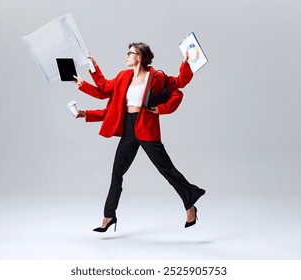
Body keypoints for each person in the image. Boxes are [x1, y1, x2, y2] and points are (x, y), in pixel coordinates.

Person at [73, 42, 206, 232]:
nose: (126, 56)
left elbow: (179, 85)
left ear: (140, 57)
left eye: (131, 53)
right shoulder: (123, 76)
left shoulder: (156, 77)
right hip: (128, 128)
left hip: (147, 127)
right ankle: (109, 215)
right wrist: (90, 71)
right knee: (117, 172)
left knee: (166, 169)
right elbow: (103, 90)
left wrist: (187, 64)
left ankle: (190, 200)